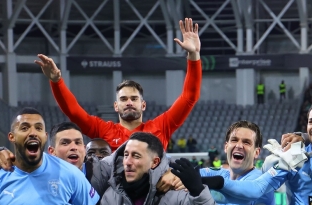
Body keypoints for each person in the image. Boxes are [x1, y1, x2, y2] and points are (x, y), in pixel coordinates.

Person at [34, 18, 201, 149]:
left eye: (134, 98)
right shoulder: (103, 130)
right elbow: (74, 112)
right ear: (116, 106)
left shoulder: (161, 126)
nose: (129, 102)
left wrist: (193, 56)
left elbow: (189, 97)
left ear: (143, 105)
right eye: (123, 99)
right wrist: (56, 81)